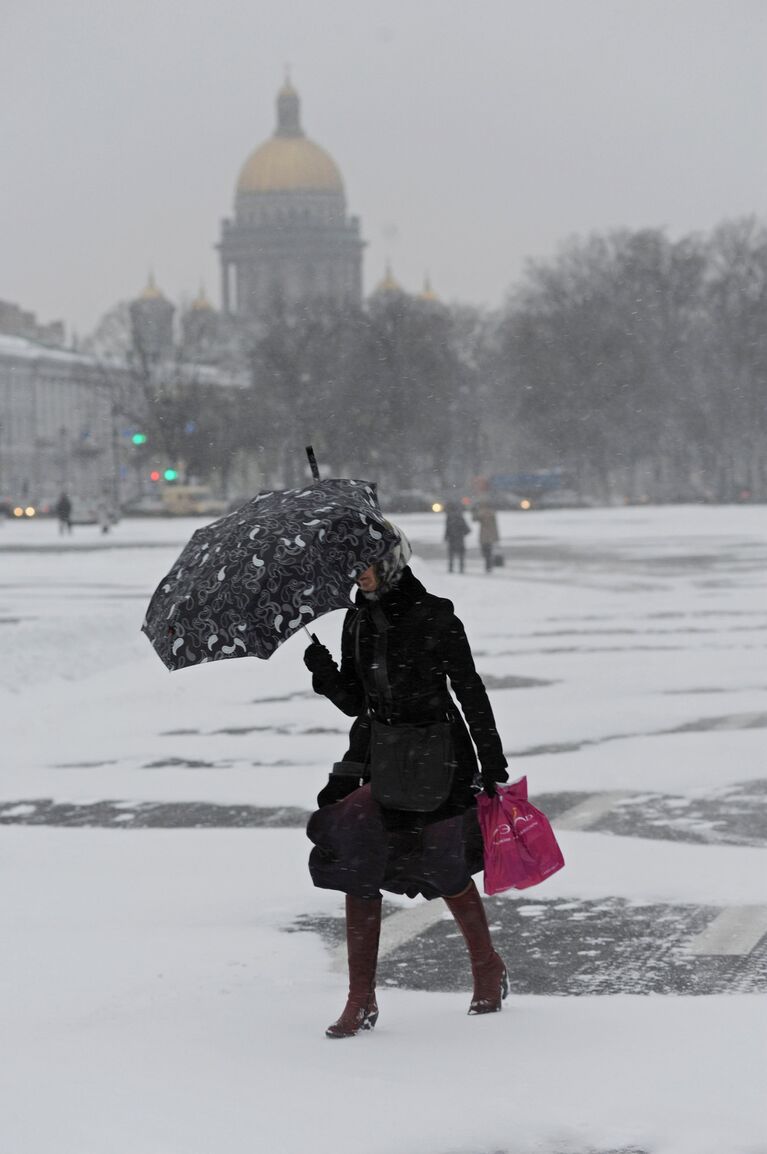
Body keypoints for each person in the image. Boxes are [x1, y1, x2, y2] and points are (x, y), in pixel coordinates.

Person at [303, 529, 510, 1038]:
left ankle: (487, 967)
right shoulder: (356, 621)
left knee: (443, 862)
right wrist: (326, 673)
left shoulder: (434, 614)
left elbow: (468, 689)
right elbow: (358, 701)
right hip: (383, 757)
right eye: (354, 563)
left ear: (392, 562)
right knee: (358, 857)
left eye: (370, 561)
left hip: (440, 757)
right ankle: (361, 999)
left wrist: (491, 758)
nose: (361, 572)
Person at [444, 501, 471, 573]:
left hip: (452, 538)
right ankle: (461, 568)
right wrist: (462, 533)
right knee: (461, 554)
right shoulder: (460, 517)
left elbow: (447, 528)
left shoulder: (449, 517)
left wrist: (446, 536)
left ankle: (451, 568)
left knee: (451, 554)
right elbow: (467, 530)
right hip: (460, 538)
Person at [472, 501, 499, 572]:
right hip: (489, 536)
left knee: (486, 552)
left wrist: (474, 511)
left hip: (485, 536)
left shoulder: (484, 513)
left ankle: (488, 566)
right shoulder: (492, 513)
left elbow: (474, 519)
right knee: (488, 552)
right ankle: (489, 565)